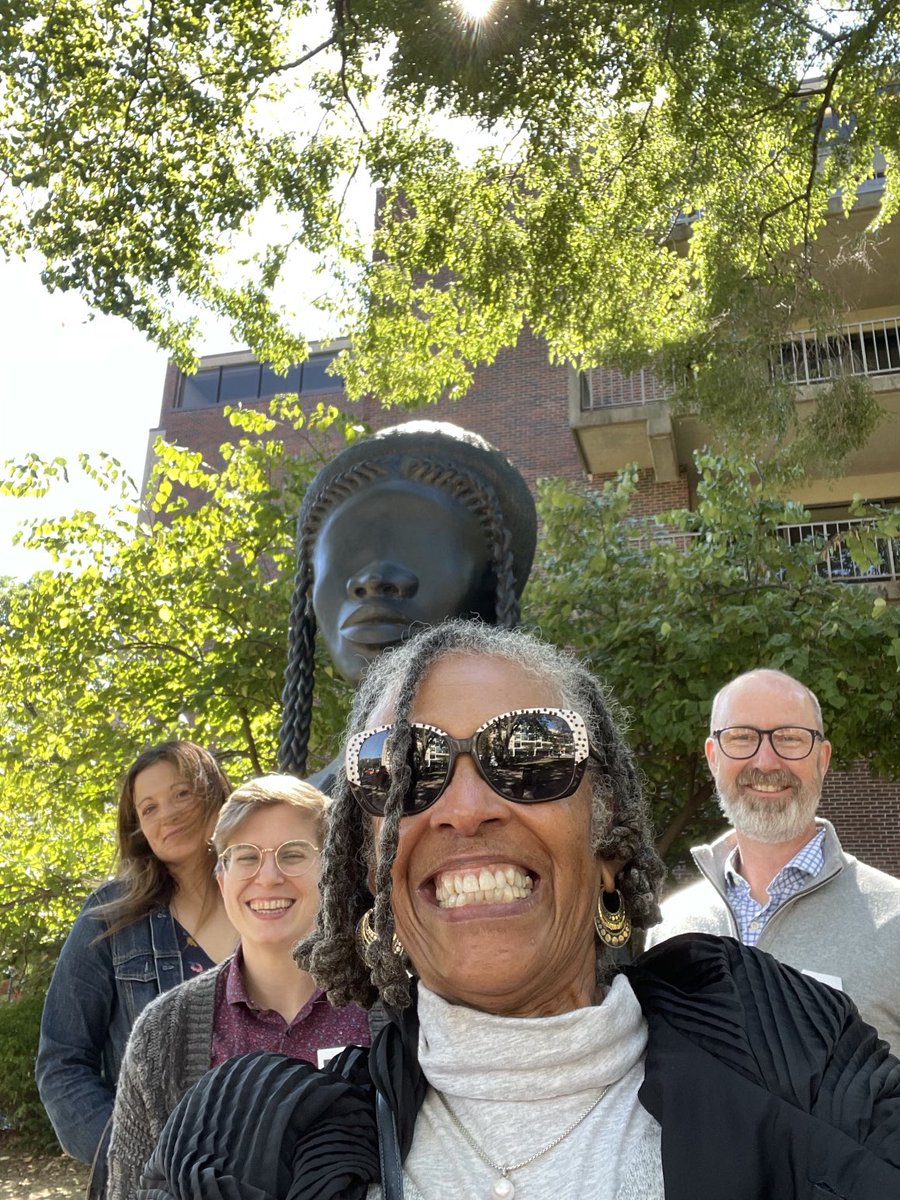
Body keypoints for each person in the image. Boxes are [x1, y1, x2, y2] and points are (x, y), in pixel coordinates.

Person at [137, 624, 900, 1200]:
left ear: (608, 842)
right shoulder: (243, 1147)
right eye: (404, 769)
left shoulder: (810, 1070)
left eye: (531, 755)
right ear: (367, 865)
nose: (464, 809)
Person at [105, 774, 371, 1200]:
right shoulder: (163, 1033)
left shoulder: (389, 1006)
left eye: (293, 854)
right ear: (222, 878)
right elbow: (126, 1190)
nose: (268, 877)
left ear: (335, 872)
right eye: (245, 857)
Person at [645, 668, 900, 1049]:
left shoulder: (894, 921)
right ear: (713, 758)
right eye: (742, 737)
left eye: (790, 738)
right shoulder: (673, 925)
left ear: (822, 758)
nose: (765, 761)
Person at [277, 420, 537, 781]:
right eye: (344, 556)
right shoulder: (294, 818)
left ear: (492, 585)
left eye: (421, 548)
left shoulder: (544, 787)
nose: (372, 581)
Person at [35, 741, 235, 1192]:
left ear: (214, 792)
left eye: (182, 793)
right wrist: (139, 1159)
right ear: (138, 828)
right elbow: (62, 1062)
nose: (168, 814)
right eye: (149, 808)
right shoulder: (109, 917)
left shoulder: (268, 896)